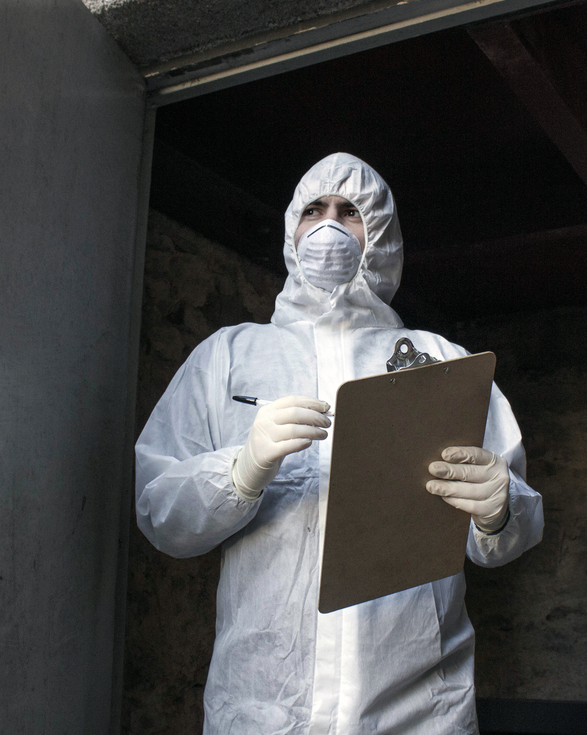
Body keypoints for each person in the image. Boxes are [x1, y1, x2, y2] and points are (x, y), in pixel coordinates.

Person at [134, 152, 543, 734]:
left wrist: (501, 510)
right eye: (313, 211)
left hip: (417, 706)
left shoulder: (443, 361)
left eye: (349, 211)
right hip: (264, 707)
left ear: (379, 233)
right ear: (291, 230)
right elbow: (159, 511)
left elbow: (513, 531)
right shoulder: (230, 356)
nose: (328, 225)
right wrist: (240, 471)